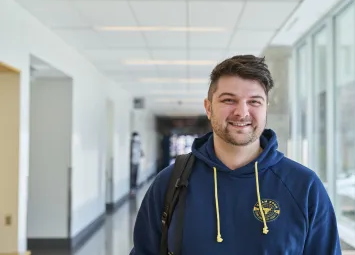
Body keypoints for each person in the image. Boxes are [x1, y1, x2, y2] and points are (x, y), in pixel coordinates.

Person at [130, 55, 342, 254]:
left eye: (254, 101)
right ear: (208, 107)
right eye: (229, 100)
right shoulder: (170, 183)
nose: (242, 112)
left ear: (265, 108)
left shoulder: (304, 186)